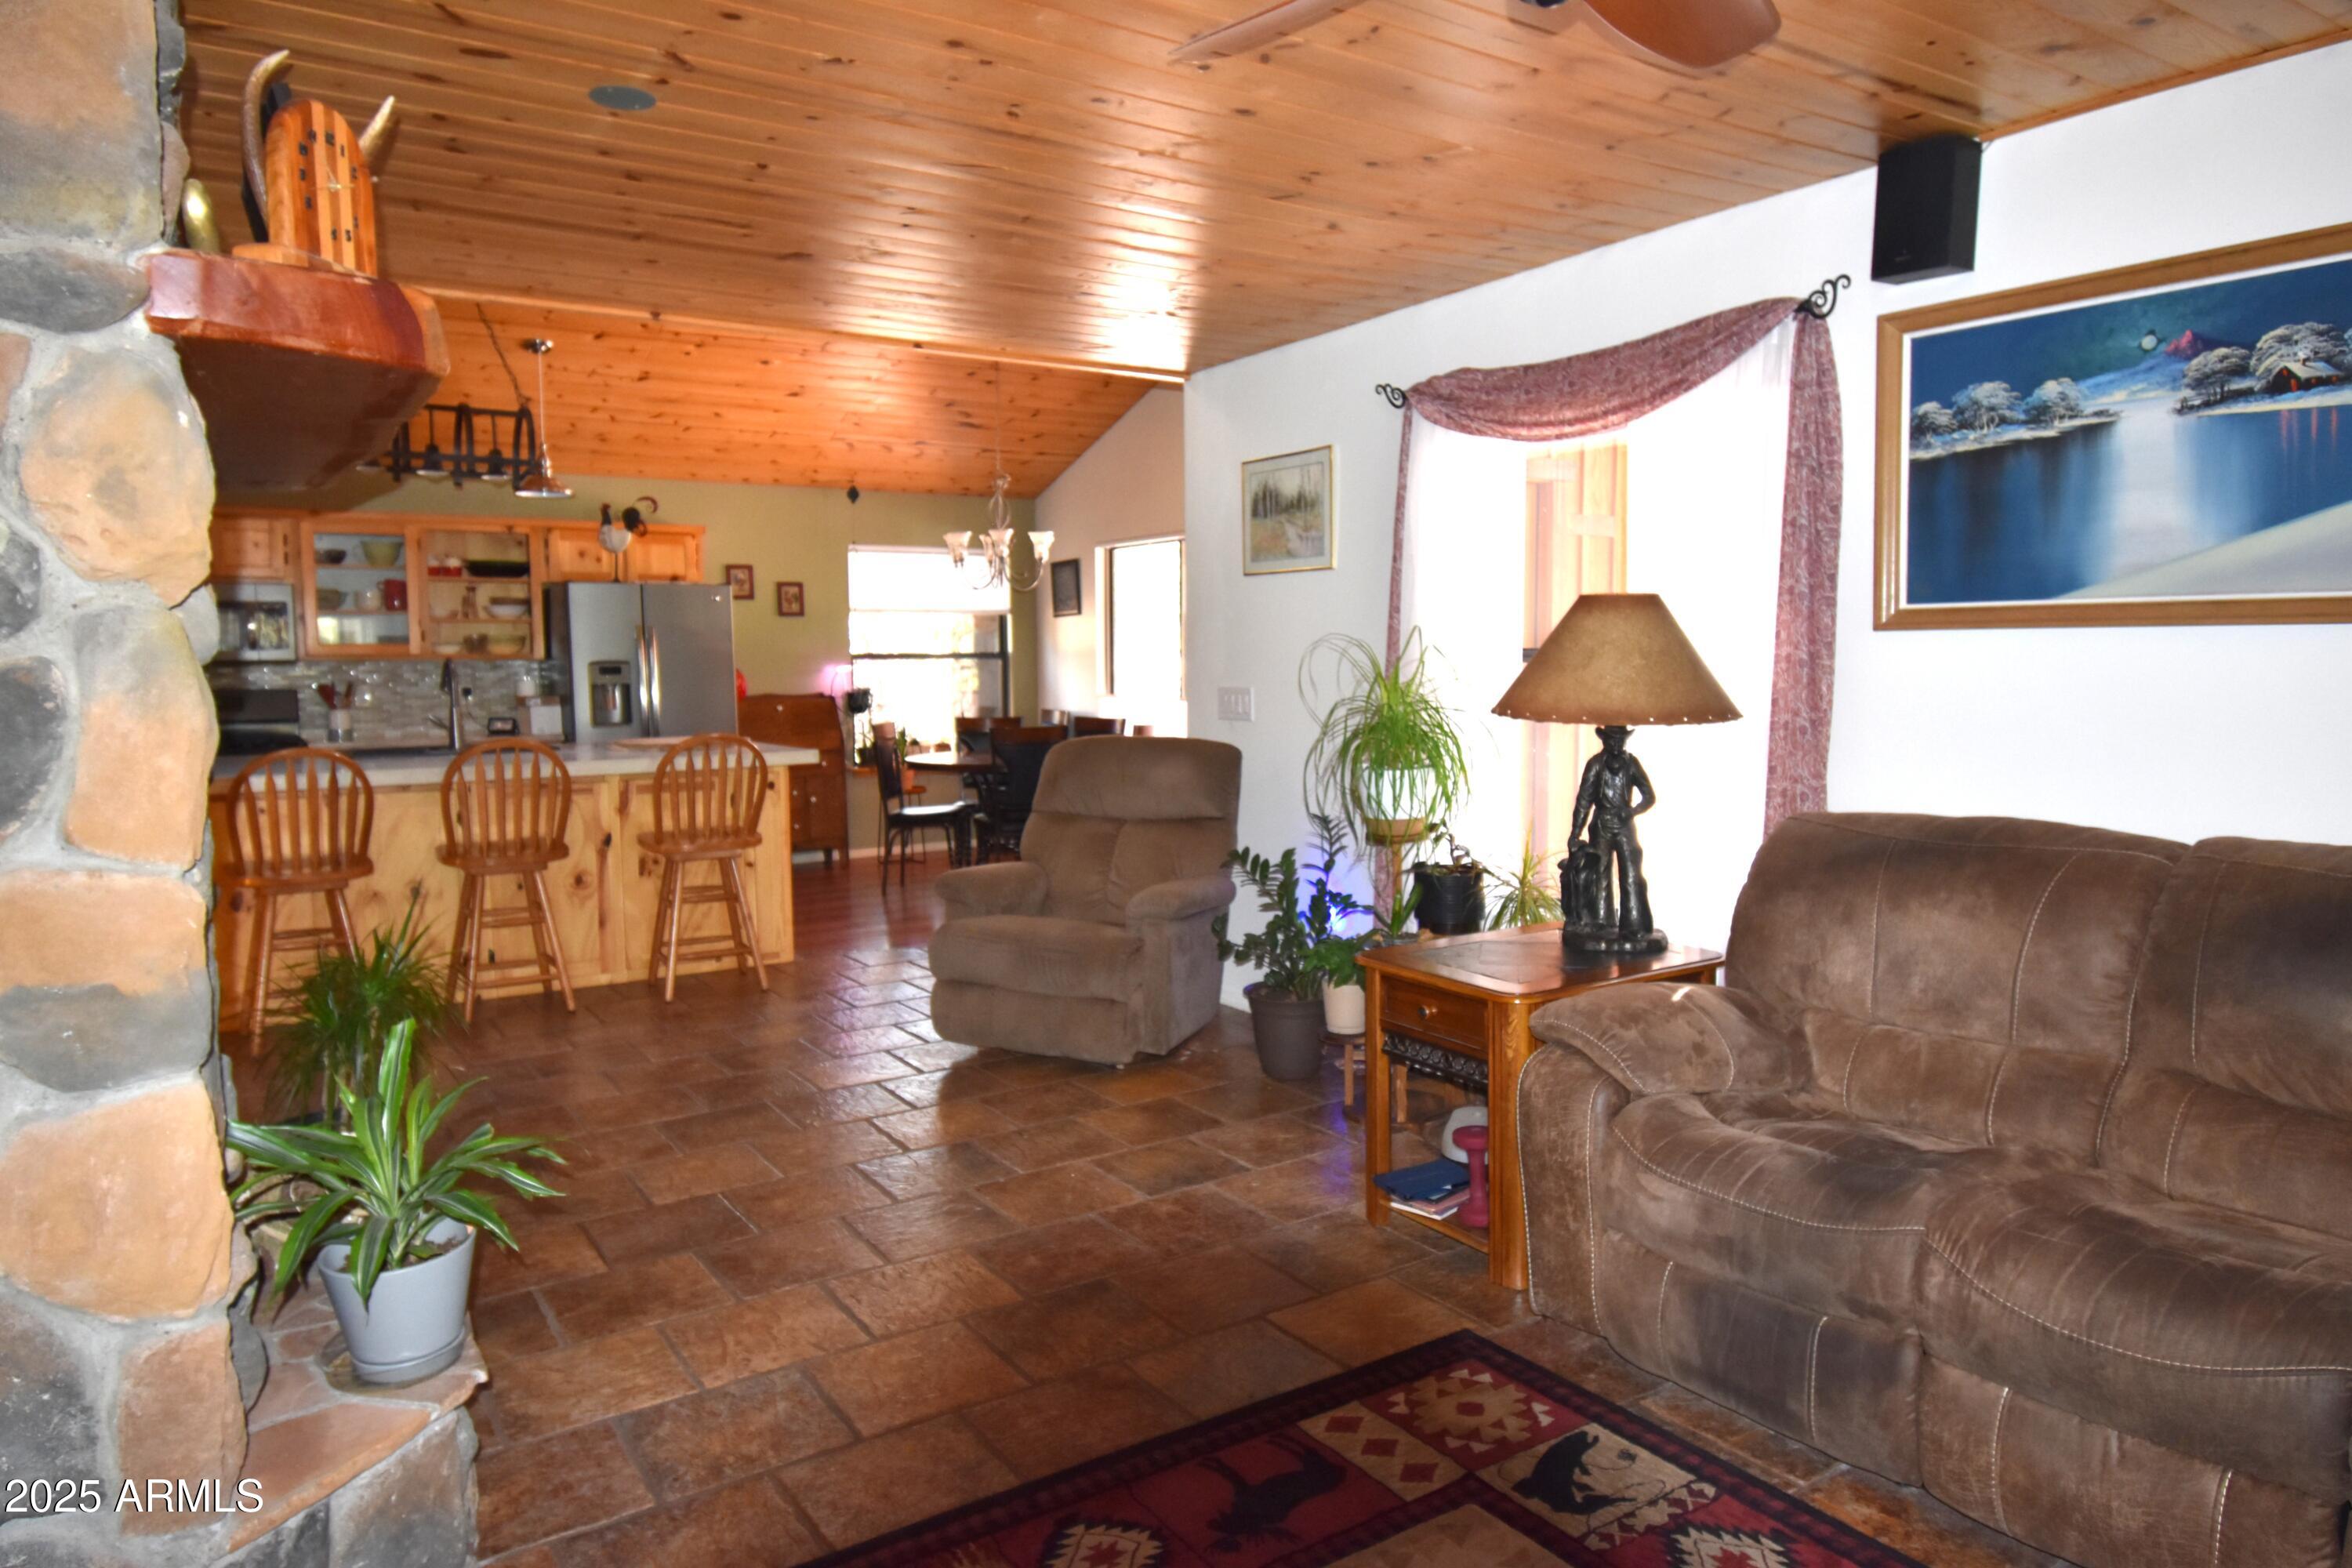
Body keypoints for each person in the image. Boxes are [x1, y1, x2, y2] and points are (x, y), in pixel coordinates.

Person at [1566, 725, 1656, 938]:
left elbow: (1649, 796)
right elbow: (1584, 800)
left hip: (1625, 825)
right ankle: (1600, 922)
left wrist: (1632, 811)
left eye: (1620, 739)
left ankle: (1634, 924)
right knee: (1599, 873)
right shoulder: (1595, 764)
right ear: (1604, 740)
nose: (1616, 744)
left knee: (1631, 874)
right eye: (1612, 739)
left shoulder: (1632, 764)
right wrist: (1575, 833)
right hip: (1602, 825)